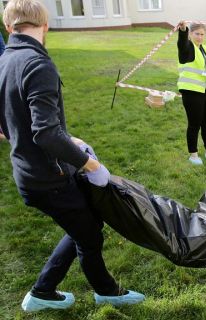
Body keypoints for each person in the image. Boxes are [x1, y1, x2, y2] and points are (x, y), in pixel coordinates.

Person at [0, 0, 144, 312]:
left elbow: (11, 123)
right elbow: (46, 133)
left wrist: (71, 139)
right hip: (48, 178)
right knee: (89, 234)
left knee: (84, 224)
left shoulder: (5, 61)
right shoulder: (38, 65)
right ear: (45, 25)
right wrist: (91, 164)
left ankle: (44, 291)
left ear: (9, 26)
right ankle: (105, 291)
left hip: (28, 172)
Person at [177, 21, 206, 165]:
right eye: (197, 34)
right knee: (194, 124)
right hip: (191, 92)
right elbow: (182, 45)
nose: (200, 37)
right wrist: (183, 31)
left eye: (202, 34)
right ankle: (194, 155)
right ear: (191, 34)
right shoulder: (188, 48)